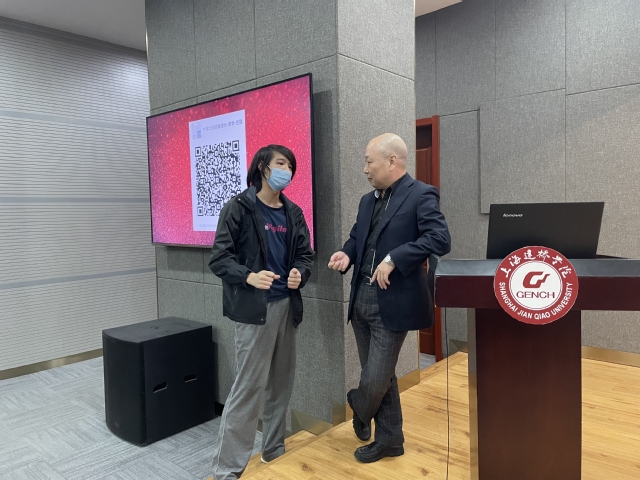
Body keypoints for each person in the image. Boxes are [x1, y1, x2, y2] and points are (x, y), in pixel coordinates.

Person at [328, 133, 451, 463]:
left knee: (376, 377)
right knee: (384, 377)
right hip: (360, 297)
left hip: (393, 300)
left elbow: (440, 239)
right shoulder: (367, 200)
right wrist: (346, 253)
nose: (365, 169)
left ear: (392, 161)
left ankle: (359, 405)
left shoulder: (421, 194)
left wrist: (396, 257)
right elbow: (358, 237)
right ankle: (390, 439)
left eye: (369, 161)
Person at [209, 145, 314, 479]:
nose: (287, 171)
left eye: (291, 166)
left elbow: (305, 256)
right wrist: (249, 276)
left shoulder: (293, 212)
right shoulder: (239, 208)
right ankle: (227, 470)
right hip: (254, 311)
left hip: (287, 307)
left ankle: (273, 450)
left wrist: (300, 273)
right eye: (281, 163)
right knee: (248, 389)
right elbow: (219, 259)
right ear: (262, 168)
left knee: (281, 385)